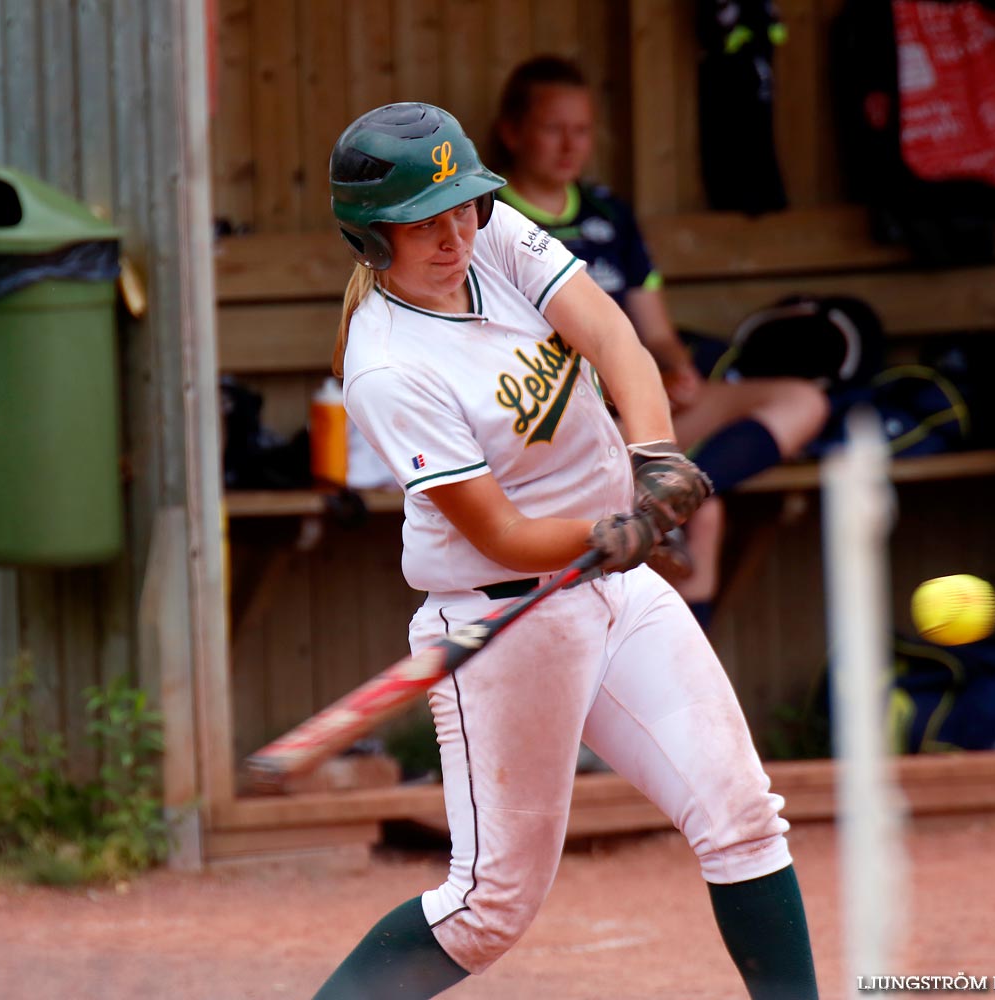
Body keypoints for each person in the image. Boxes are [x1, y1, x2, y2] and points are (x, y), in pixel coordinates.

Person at [313, 101, 817, 999]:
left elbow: (613, 334)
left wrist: (653, 456)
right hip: (506, 620)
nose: (451, 233)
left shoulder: (491, 228)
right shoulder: (388, 366)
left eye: (460, 207)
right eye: (420, 224)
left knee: (744, 822)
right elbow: (499, 532)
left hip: (616, 594)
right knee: (488, 907)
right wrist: (604, 530)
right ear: (368, 239)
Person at [488, 56, 829, 631]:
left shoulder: (609, 215)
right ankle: (677, 502)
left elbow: (658, 334)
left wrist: (674, 368)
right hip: (564, 422)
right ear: (512, 132)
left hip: (644, 409)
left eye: (583, 129)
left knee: (805, 402)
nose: (571, 144)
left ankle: (672, 495)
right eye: (554, 128)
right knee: (711, 519)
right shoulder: (490, 221)